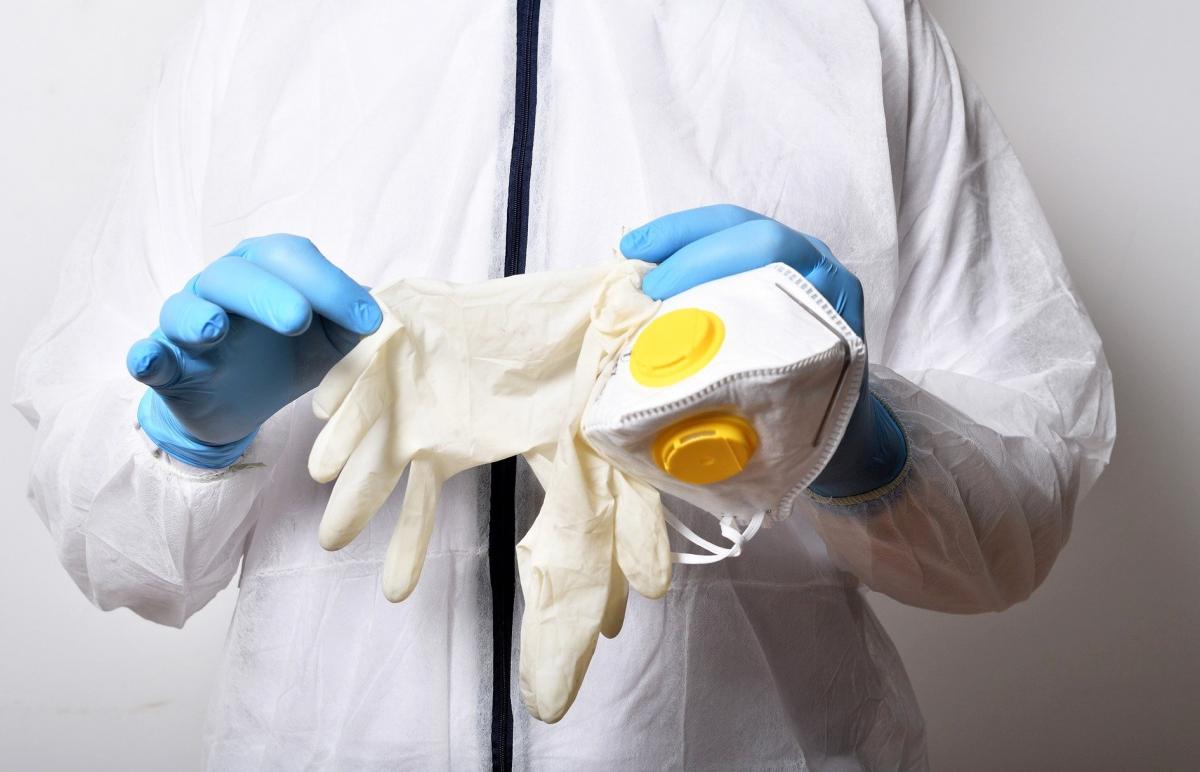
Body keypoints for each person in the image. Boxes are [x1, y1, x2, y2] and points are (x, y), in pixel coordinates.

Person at [14, 1, 1115, 769]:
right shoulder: (259, 32)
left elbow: (1012, 527)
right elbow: (110, 541)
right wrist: (186, 434)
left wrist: (851, 429)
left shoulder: (849, 32)